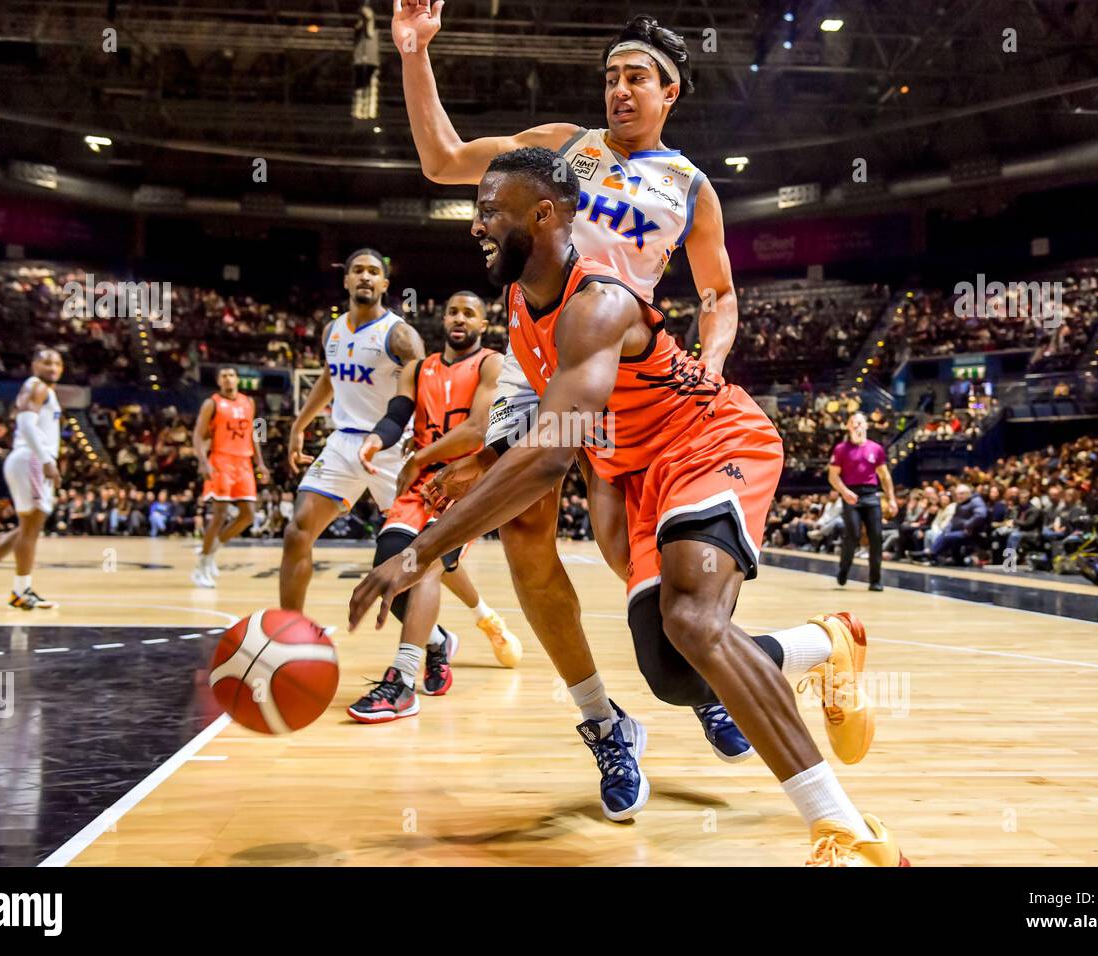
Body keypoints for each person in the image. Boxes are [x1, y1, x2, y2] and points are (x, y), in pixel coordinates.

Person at [351, 148, 906, 865]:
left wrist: (421, 550)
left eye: (490, 210)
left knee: (692, 621)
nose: (476, 225)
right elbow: (557, 432)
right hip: (636, 471)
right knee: (677, 675)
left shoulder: (599, 303)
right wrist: (483, 461)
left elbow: (551, 451)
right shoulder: (522, 302)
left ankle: (846, 832)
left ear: (544, 215)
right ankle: (826, 644)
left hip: (712, 442)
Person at [394, 2, 754, 786]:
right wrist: (416, 52)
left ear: (670, 94)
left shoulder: (691, 187)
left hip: (629, 370)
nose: (620, 91)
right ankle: (602, 718)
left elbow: (719, 295)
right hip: (536, 356)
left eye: (636, 78)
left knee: (631, 552)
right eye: (611, 78)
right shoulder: (562, 149)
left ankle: (706, 681)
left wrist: (712, 362)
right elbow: (443, 159)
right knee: (524, 533)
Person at [346, 292, 522, 721]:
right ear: (442, 319)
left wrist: (419, 457)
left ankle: (403, 681)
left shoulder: (491, 364)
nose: (459, 318)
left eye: (469, 312)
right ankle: (437, 641)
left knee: (421, 561)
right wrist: (376, 439)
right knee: (390, 565)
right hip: (419, 481)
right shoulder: (417, 368)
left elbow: (478, 428)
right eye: (453, 311)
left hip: (464, 481)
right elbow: (396, 413)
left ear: (483, 324)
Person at [280, 248, 426, 612]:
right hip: (343, 442)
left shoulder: (400, 336)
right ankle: (290, 629)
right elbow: (330, 379)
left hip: (393, 447)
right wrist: (300, 424)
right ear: (346, 280)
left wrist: (424, 445)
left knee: (426, 548)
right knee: (298, 532)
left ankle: (481, 615)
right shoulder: (332, 330)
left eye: (373, 271)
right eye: (357, 270)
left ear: (384, 283)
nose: (365, 276)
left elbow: (429, 389)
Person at [0, 347, 65, 609]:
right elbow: (27, 424)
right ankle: (21, 590)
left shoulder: (43, 389)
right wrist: (47, 461)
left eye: (57, 363)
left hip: (25, 459)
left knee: (25, 529)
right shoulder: (38, 386)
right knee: (31, 529)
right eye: (46, 362)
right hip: (31, 458)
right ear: (34, 365)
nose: (52, 367)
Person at [191, 366, 269, 588]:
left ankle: (211, 549)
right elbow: (197, 435)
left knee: (248, 515)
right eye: (223, 376)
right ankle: (201, 567)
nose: (228, 379)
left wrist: (260, 463)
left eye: (231, 375)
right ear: (218, 381)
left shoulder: (248, 402)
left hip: (244, 463)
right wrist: (203, 462)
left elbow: (253, 433)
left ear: (237, 379)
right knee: (220, 514)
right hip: (221, 461)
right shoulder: (212, 403)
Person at [828, 411, 897, 591]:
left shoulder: (876, 448)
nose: (857, 425)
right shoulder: (841, 449)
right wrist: (844, 492)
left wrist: (891, 499)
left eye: (860, 422)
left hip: (871, 495)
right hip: (851, 494)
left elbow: (885, 476)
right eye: (853, 422)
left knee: (876, 536)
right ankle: (844, 569)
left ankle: (875, 580)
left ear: (866, 425)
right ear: (848, 426)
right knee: (853, 535)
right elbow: (833, 476)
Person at [928, 484, 987, 565]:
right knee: (944, 534)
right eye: (957, 494)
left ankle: (932, 554)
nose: (959, 496)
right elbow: (953, 520)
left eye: (961, 493)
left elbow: (981, 515)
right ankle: (935, 555)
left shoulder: (976, 501)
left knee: (947, 537)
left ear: (968, 493)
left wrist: (968, 525)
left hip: (971, 532)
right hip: (959, 530)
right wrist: (947, 529)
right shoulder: (960, 503)